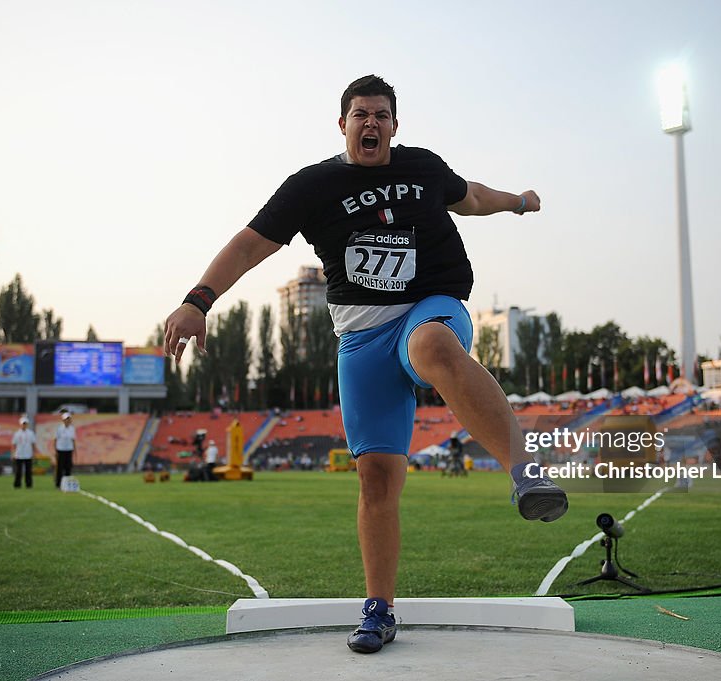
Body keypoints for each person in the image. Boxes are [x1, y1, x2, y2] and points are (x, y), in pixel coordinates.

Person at [163, 75, 568, 654]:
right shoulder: (313, 185)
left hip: (429, 308)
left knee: (433, 346)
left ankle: (523, 471)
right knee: (376, 480)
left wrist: (518, 202)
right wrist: (197, 300)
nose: (371, 123)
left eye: (381, 114)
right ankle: (379, 608)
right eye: (360, 115)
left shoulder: (422, 167)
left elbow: (473, 197)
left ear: (395, 126)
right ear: (343, 125)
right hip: (361, 343)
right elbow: (252, 244)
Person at [12, 416, 38, 489]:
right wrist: (13, 454)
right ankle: (17, 485)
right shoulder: (17, 433)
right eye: (23, 424)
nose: (24, 425)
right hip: (19, 454)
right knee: (18, 471)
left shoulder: (31, 433)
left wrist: (34, 453)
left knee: (28, 471)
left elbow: (33, 444)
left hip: (28, 454)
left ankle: (29, 485)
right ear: (20, 424)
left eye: (25, 423)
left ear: (27, 424)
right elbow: (14, 445)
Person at [54, 412, 77, 489]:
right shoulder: (59, 428)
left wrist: (74, 449)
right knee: (60, 468)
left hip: (69, 450)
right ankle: (58, 483)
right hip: (60, 450)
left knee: (68, 467)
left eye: (69, 419)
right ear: (63, 420)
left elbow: (73, 440)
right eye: (66, 419)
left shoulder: (72, 429)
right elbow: (55, 439)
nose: (68, 420)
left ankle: (67, 484)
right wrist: (55, 450)